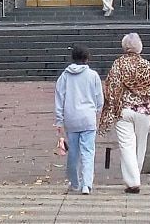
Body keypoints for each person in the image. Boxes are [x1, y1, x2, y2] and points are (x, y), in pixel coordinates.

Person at [97, 33, 150, 194]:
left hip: (124, 111)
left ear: (124, 47)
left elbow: (111, 87)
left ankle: (133, 181)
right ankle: (135, 177)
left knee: (126, 146)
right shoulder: (145, 64)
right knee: (140, 144)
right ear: (139, 47)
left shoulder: (118, 65)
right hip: (144, 111)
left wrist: (111, 108)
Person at [54, 45, 104, 196]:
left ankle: (74, 182)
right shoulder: (93, 75)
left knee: (73, 152)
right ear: (87, 58)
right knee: (88, 152)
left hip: (71, 118)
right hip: (88, 118)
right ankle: (87, 184)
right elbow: (99, 98)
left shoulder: (65, 76)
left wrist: (59, 120)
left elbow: (59, 98)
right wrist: (96, 110)